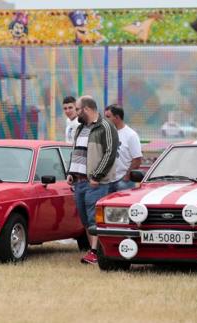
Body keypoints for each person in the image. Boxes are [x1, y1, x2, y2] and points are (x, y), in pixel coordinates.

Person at [67, 95, 119, 264]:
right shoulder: (80, 129)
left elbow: (110, 153)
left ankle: (95, 252)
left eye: (77, 109)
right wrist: (71, 172)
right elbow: (76, 153)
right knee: (85, 219)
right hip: (79, 182)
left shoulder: (106, 126)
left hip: (95, 183)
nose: (75, 112)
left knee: (93, 218)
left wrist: (97, 176)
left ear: (87, 109)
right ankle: (93, 252)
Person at [104, 104, 142, 193]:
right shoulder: (106, 133)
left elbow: (137, 159)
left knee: (122, 206)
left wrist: (127, 176)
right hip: (107, 181)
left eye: (108, 117)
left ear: (117, 117)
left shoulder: (131, 135)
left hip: (123, 182)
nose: (105, 120)